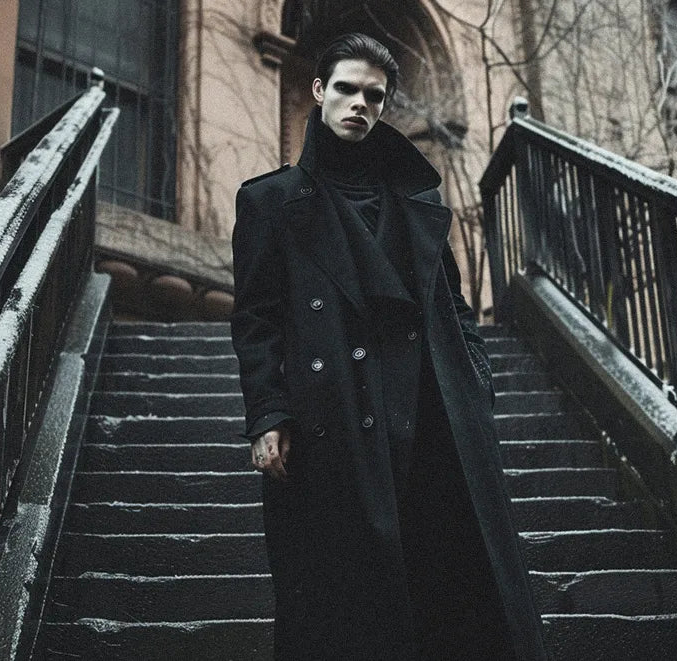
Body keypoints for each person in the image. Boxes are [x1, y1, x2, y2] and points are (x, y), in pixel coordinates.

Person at [230, 33, 547, 661]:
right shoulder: (268, 202)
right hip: (334, 416)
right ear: (319, 91)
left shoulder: (416, 202)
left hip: (430, 413)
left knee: (447, 584)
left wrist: (475, 380)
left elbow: (451, 302)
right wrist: (268, 413)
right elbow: (257, 317)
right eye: (346, 89)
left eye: (374, 96)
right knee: (343, 598)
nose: (359, 105)